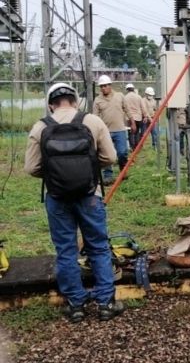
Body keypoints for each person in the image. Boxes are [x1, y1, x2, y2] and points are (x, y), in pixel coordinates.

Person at [24, 83, 125, 322]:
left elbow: (31, 168)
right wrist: (88, 170)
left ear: (50, 104)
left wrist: (54, 176)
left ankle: (76, 305)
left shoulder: (41, 127)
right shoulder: (92, 121)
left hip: (57, 198)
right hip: (90, 196)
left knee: (66, 250)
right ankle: (105, 304)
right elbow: (110, 157)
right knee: (98, 247)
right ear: (76, 100)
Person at [93, 75, 133, 185]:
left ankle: (123, 171)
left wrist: (132, 122)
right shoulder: (97, 100)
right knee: (106, 155)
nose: (103, 88)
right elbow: (95, 117)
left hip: (120, 129)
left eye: (105, 86)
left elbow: (127, 109)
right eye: (101, 86)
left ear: (110, 86)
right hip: (105, 132)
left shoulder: (120, 96)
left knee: (122, 152)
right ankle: (108, 176)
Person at [123, 83, 147, 150]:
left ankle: (132, 147)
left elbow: (123, 109)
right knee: (136, 132)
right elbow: (143, 107)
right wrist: (145, 116)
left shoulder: (125, 97)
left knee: (130, 133)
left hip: (129, 118)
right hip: (138, 117)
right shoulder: (138, 97)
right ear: (133, 89)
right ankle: (137, 147)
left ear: (127, 89)